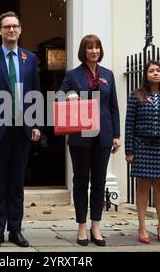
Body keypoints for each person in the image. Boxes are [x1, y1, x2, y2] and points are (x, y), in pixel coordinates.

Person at [0, 11, 41, 248]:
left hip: (22, 129)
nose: (11, 30)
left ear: (20, 29)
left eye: (14, 26)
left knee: (17, 182)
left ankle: (15, 229)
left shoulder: (29, 58)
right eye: (6, 26)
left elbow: (35, 92)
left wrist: (36, 123)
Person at [58, 34, 121, 247]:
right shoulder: (72, 75)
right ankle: (82, 226)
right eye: (89, 48)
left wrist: (116, 135)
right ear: (83, 51)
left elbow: (113, 108)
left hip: (103, 135)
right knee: (81, 182)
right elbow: (59, 96)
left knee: (99, 182)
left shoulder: (108, 75)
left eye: (96, 48)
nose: (93, 51)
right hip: (80, 136)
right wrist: (70, 95)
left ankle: (96, 225)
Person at [124, 60, 160, 244]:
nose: (155, 73)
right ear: (146, 75)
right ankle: (141, 227)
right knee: (142, 187)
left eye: (158, 71)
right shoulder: (136, 96)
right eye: (151, 71)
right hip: (142, 146)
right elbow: (129, 124)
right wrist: (129, 150)